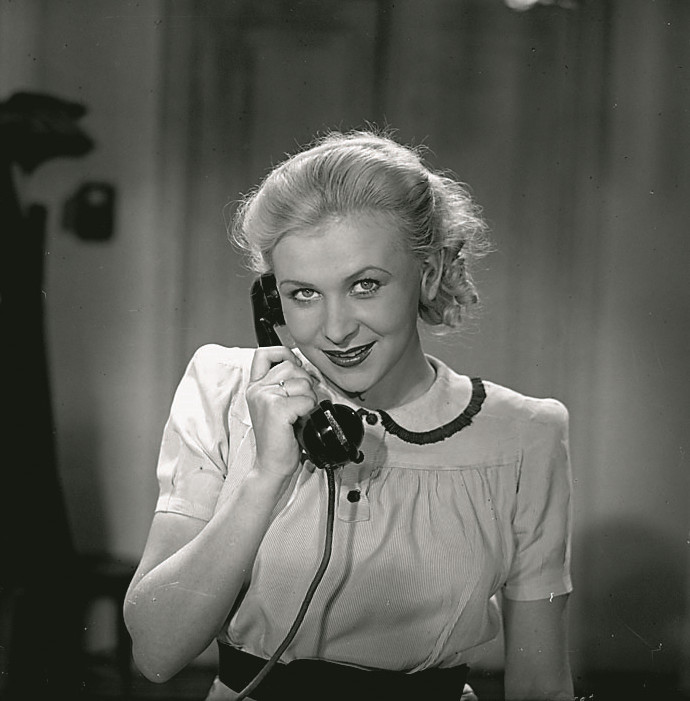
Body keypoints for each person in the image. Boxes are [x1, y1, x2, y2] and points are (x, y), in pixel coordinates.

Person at [124, 129, 574, 701]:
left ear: (429, 273)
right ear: (272, 300)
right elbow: (156, 654)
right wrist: (265, 476)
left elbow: (540, 686)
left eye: (365, 285)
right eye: (303, 294)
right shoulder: (225, 388)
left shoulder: (527, 434)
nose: (335, 330)